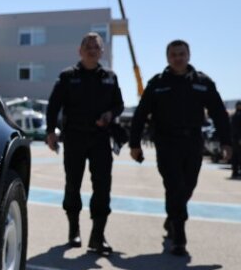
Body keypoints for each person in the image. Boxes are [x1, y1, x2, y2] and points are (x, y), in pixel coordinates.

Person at [129, 40, 232, 256]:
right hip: (166, 142)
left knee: (189, 185)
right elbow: (140, 114)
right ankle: (179, 236)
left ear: (188, 55)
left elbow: (219, 114)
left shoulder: (203, 82)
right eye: (174, 55)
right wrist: (135, 144)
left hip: (193, 141)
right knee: (174, 185)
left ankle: (172, 218)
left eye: (182, 54)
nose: (178, 58)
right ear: (168, 58)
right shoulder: (157, 83)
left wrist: (226, 142)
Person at [46, 32, 124, 255]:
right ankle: (74, 230)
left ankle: (98, 236)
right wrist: (51, 132)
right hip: (74, 138)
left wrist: (110, 114)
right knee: (73, 185)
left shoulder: (110, 77)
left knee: (103, 187)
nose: (92, 50)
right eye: (88, 47)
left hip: (100, 138)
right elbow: (53, 106)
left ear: (102, 51)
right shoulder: (67, 76)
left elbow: (119, 104)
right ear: (79, 51)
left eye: (96, 47)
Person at [232, 101, 241, 179]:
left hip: (236, 139)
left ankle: (236, 172)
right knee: (236, 156)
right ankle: (235, 172)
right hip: (236, 139)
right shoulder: (236, 115)